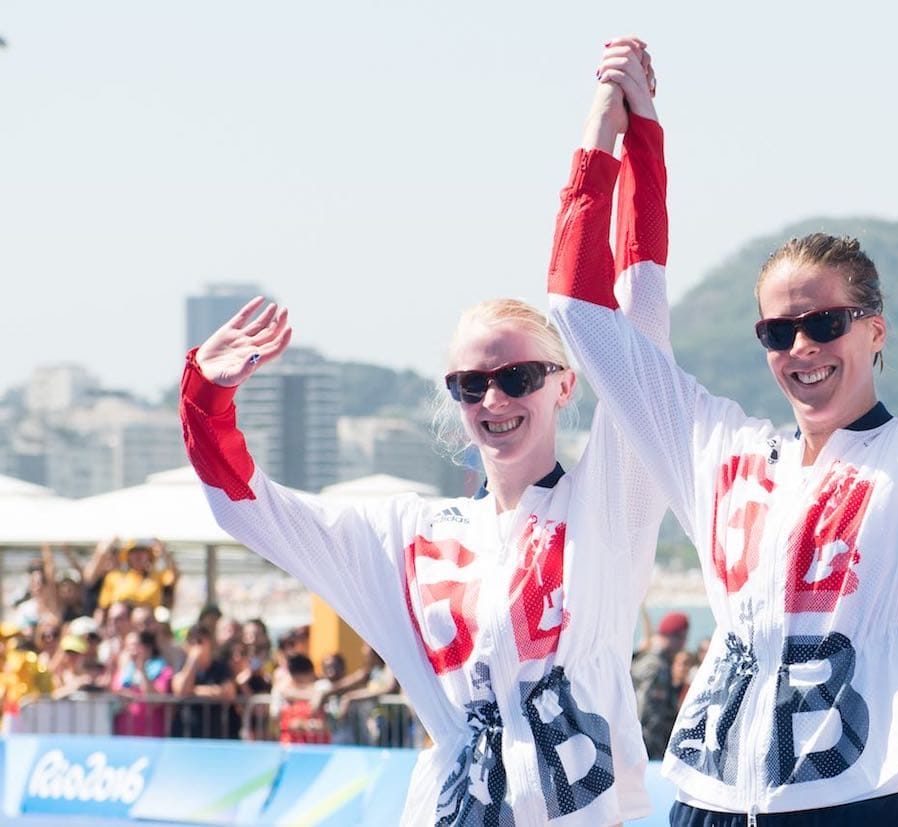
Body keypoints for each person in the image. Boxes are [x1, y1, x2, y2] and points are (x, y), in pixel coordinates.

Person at [548, 6, 898, 822]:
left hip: (857, 800)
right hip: (705, 799)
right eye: (778, 329)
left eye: (825, 322)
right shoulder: (719, 449)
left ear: (874, 329)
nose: (803, 346)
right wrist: (619, 135)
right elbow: (579, 308)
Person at [177, 49, 670, 825]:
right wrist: (206, 395)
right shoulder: (406, 535)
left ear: (565, 383)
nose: (494, 399)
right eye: (470, 383)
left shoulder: (613, 496)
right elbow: (245, 507)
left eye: (518, 377)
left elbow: (635, 324)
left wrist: (619, 139)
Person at [631, 610, 689, 758]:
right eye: (682, 637)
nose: (684, 643)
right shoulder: (656, 666)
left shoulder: (650, 659)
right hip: (648, 745)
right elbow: (647, 712)